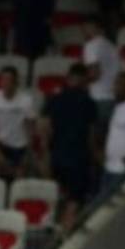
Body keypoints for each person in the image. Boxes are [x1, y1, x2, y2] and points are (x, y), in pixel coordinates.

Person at [40, 64, 97, 233]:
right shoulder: (89, 103)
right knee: (74, 199)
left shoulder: (54, 99)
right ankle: (64, 235)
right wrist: (94, 158)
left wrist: (45, 156)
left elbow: (44, 129)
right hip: (78, 158)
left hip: (57, 156)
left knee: (59, 196)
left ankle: (55, 230)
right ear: (84, 80)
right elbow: (91, 135)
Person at [0, 67, 36, 179]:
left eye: (9, 80)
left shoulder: (26, 100)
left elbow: (30, 129)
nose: (5, 83)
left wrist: (27, 153)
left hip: (19, 146)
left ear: (16, 82)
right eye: (3, 79)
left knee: (20, 176)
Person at [82, 15, 120, 125]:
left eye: (85, 27)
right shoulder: (111, 45)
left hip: (98, 97)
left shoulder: (91, 45)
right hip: (112, 97)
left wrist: (81, 83)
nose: (83, 30)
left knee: (95, 135)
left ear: (93, 27)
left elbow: (94, 73)